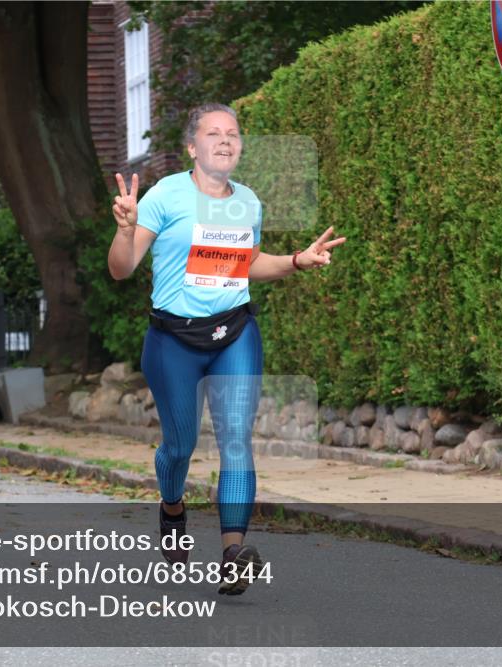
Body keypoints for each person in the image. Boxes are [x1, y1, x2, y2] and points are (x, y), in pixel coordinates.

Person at [107, 103, 345, 595]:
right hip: (173, 339)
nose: (224, 141)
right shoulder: (164, 196)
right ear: (193, 148)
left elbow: (247, 264)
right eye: (213, 134)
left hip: (234, 332)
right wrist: (127, 228)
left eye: (232, 134)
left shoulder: (249, 202)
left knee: (236, 437)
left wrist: (298, 260)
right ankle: (172, 506)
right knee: (180, 446)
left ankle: (234, 553)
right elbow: (121, 268)